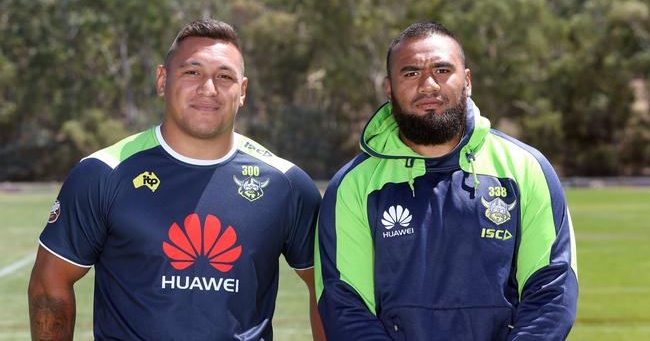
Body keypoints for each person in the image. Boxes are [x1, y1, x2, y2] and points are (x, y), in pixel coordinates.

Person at [29, 18, 325, 341]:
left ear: (242, 92)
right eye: (192, 72)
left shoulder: (287, 185)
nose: (208, 89)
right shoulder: (103, 173)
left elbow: (327, 290)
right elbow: (49, 284)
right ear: (162, 80)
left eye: (224, 77)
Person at [315, 21, 578, 340]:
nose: (428, 85)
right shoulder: (354, 185)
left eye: (442, 70)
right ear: (389, 88)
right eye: (410, 73)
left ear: (466, 80)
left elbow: (551, 293)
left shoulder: (525, 169)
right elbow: (346, 306)